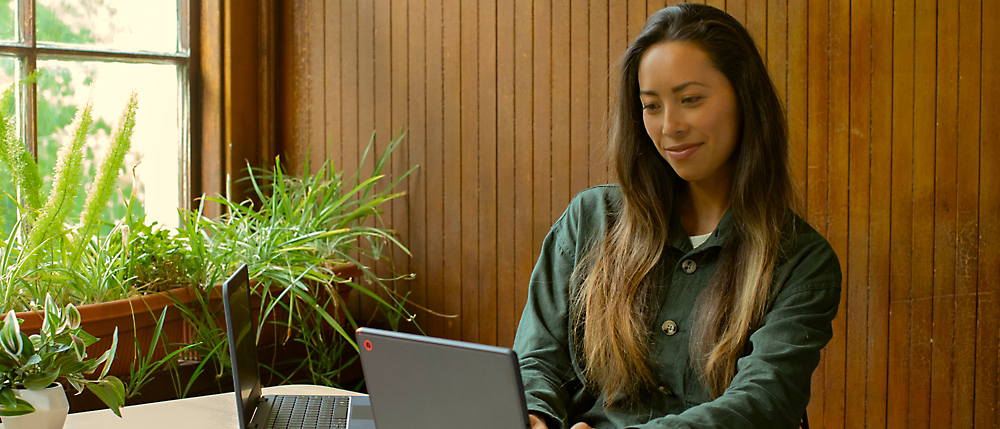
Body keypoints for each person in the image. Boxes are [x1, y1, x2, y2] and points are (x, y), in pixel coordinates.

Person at [512, 3, 842, 429]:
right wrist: (534, 414)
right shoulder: (590, 219)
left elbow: (763, 403)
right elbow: (536, 360)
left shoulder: (801, 261)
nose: (669, 126)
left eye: (690, 100)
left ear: (745, 99)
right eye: (651, 106)